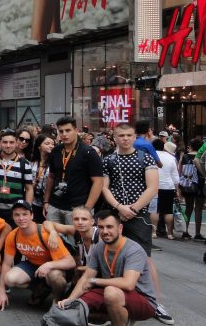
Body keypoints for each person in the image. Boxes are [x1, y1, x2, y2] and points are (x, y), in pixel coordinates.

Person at [102, 123, 173, 325]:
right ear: (114, 137)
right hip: (115, 215)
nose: (125, 138)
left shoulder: (146, 157)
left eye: (129, 135)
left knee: (146, 259)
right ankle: (114, 304)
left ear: (135, 137)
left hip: (139, 215)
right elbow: (105, 187)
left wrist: (132, 209)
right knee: (112, 257)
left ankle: (155, 302)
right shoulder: (108, 160)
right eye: (121, 135)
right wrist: (118, 207)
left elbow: (152, 187)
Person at [58, 210, 157, 326]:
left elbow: (128, 284)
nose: (105, 231)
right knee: (76, 306)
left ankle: (121, 320)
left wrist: (95, 281)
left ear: (120, 228)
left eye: (109, 227)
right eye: (101, 227)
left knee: (111, 292)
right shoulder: (99, 247)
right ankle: (120, 317)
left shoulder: (133, 250)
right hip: (112, 292)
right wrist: (70, 299)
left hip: (142, 299)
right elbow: (86, 277)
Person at [0, 200, 76, 310]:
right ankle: (41, 289)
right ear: (12, 217)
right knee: (10, 278)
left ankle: (57, 301)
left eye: (25, 214)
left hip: (56, 267)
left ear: (32, 215)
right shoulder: (12, 235)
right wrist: (1, 292)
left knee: (55, 276)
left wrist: (48, 265)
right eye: (17, 215)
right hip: (34, 265)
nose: (21, 218)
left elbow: (71, 262)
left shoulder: (45, 233)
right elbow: (6, 264)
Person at [44, 116, 104, 224]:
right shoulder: (56, 151)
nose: (64, 134)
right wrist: (46, 201)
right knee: (53, 239)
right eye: (61, 131)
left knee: (76, 240)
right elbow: (51, 176)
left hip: (78, 207)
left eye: (68, 130)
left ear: (76, 131)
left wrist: (87, 209)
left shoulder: (88, 153)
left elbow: (98, 182)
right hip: (54, 205)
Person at [0, 130, 34, 226]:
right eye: (5, 142)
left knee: (12, 239)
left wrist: (27, 210)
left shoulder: (24, 164)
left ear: (16, 143)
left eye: (11, 142)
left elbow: (29, 189)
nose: (8, 145)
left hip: (15, 210)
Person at [43, 205, 99, 283]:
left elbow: (104, 265)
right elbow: (47, 223)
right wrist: (53, 232)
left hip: (101, 276)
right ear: (72, 221)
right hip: (85, 273)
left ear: (92, 222)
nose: (80, 222)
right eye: (76, 219)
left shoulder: (100, 235)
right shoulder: (75, 230)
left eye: (84, 219)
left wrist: (78, 269)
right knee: (53, 275)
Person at [151, 140, 179, 240]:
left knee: (155, 210)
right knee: (168, 211)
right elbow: (176, 177)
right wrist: (176, 190)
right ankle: (170, 233)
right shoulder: (172, 158)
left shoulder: (151, 156)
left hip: (155, 185)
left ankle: (154, 232)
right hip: (168, 186)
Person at [179, 139, 204, 240]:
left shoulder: (184, 156)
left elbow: (180, 172)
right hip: (201, 185)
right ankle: (197, 233)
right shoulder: (202, 157)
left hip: (188, 185)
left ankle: (185, 231)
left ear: (191, 146)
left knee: (188, 208)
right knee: (199, 208)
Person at [30, 134, 55, 223]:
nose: (51, 146)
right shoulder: (32, 162)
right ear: (39, 146)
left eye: (53, 144)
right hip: (33, 201)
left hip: (49, 202)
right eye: (47, 143)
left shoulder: (55, 162)